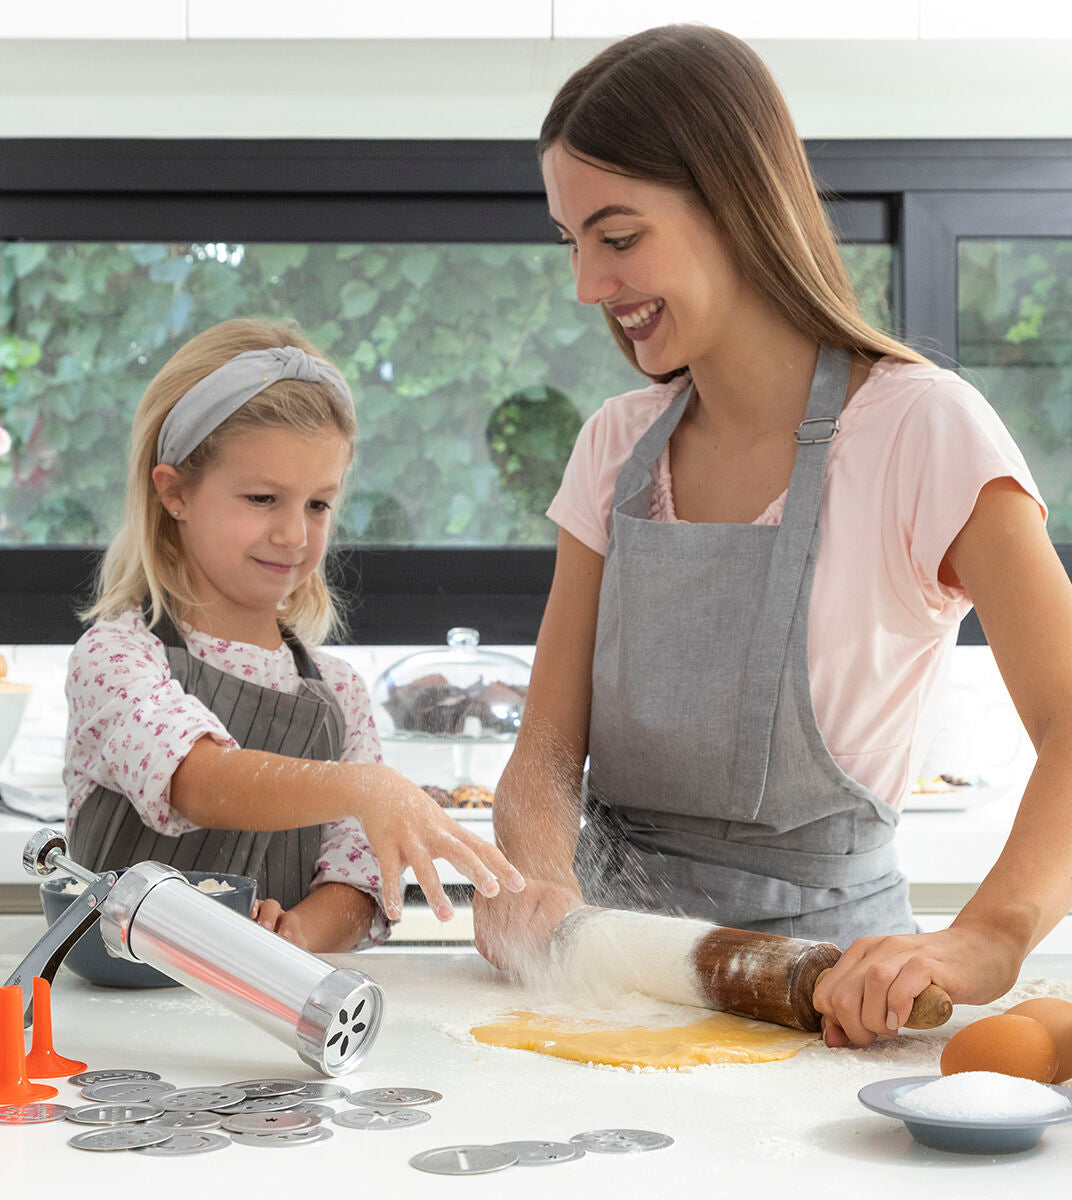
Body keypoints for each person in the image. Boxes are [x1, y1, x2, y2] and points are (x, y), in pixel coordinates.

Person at [473, 24, 1072, 1048]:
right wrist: (545, 895)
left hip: (831, 1008)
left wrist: (990, 936)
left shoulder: (922, 429)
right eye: (572, 243)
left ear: (737, 204)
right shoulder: (614, 446)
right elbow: (542, 758)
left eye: (617, 238)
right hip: (612, 994)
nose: (586, 285)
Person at [65, 317, 523, 952]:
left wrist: (294, 936)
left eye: (318, 504)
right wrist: (365, 788)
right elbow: (196, 780)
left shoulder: (339, 694)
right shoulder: (117, 659)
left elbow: (360, 885)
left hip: (269, 1022)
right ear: (175, 494)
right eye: (261, 498)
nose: (294, 535)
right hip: (109, 1016)